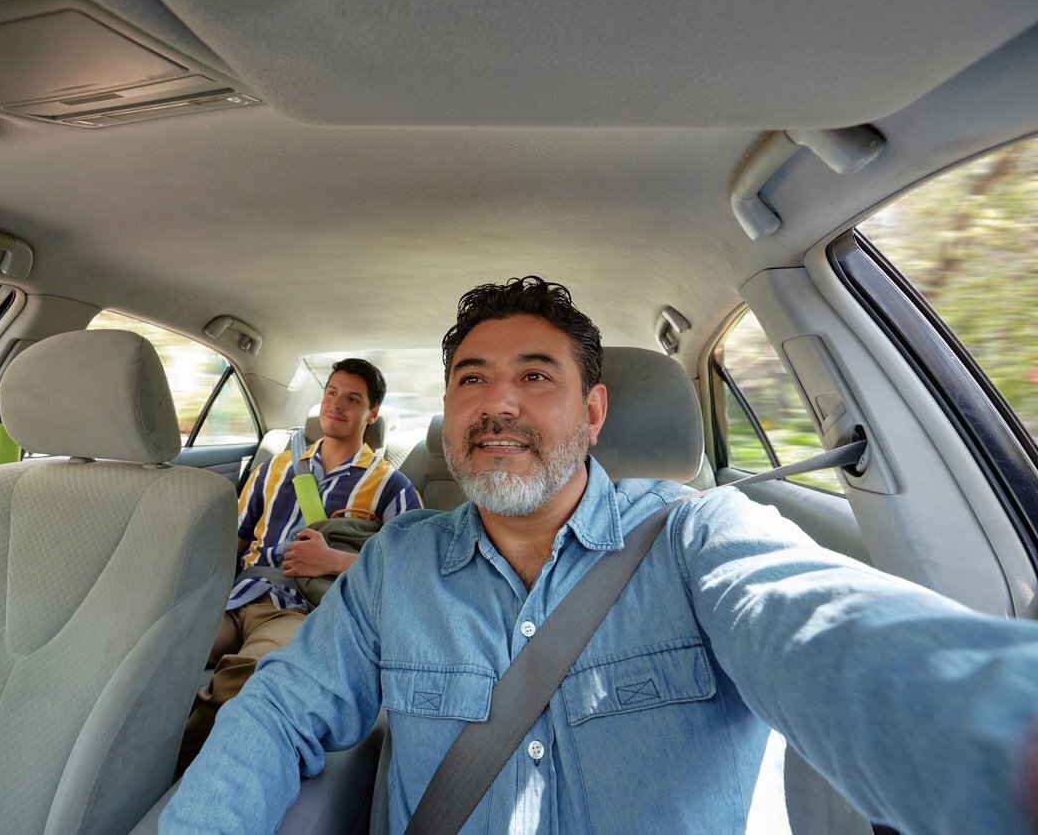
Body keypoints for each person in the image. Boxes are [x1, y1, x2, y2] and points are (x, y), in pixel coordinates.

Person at [162, 277, 1038, 833]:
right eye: (471, 378)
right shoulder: (399, 564)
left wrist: (1000, 736)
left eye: (535, 375)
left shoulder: (700, 536)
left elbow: (834, 639)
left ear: (592, 414)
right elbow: (277, 714)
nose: (498, 403)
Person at [176, 357, 421, 772]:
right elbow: (233, 541)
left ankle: (177, 776)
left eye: (352, 399)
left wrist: (334, 560)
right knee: (160, 659)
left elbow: (410, 573)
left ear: (372, 413)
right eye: (332, 393)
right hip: (237, 595)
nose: (336, 404)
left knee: (249, 677)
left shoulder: (390, 486)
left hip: (299, 610)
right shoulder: (273, 468)